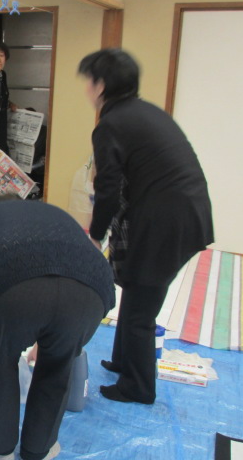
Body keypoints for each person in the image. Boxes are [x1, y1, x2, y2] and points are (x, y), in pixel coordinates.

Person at [78, 48, 213, 404]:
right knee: (137, 289)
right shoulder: (145, 112)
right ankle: (124, 360)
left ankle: (137, 386)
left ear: (101, 85)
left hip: (167, 220)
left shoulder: (111, 123)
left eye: (89, 80)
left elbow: (107, 188)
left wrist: (95, 236)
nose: (86, 88)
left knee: (141, 305)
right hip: (182, 213)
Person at [0, 194, 115, 460]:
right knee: (57, 367)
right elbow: (56, 278)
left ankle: (0, 449)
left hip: (10, 287)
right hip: (91, 292)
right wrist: (47, 341)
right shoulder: (55, 214)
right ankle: (39, 450)